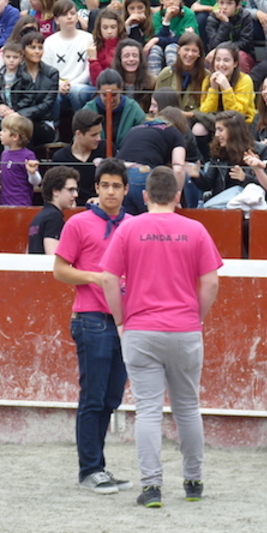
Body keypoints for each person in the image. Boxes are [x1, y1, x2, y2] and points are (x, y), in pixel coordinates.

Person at [101, 166, 222, 507]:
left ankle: (152, 486)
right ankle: (193, 481)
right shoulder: (195, 229)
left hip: (141, 328)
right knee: (188, 408)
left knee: (148, 411)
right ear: (177, 196)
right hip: (184, 328)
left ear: (145, 195)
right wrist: (195, 317)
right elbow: (211, 282)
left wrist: (121, 320)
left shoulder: (129, 228)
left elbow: (109, 278)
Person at [53, 158, 132, 496]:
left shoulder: (133, 225)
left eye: (117, 186)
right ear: (97, 189)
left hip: (124, 322)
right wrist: (96, 277)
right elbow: (60, 270)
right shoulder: (78, 223)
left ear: (126, 190)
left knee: (111, 397)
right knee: (94, 396)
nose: (111, 192)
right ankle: (90, 469)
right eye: (105, 186)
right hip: (91, 318)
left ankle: (97, 465)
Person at [0, 32, 58, 158]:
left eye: (40, 47)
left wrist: (19, 114)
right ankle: (0, 164)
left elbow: (47, 105)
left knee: (22, 127)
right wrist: (0, 106)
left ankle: (24, 165)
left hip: (41, 122)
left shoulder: (52, 73)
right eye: (32, 47)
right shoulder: (12, 71)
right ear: (23, 51)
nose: (37, 51)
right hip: (12, 117)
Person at [115, 105, 186, 213]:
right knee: (152, 220)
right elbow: (178, 168)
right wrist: (176, 197)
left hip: (119, 175)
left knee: (126, 221)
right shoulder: (173, 131)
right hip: (142, 174)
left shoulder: (136, 128)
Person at [42, 0, 95, 112]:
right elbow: (47, 71)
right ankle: (53, 123)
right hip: (58, 87)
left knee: (76, 92)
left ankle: (81, 120)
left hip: (81, 86)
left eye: (72, 13)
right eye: (64, 14)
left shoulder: (88, 38)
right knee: (52, 95)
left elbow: (89, 70)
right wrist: (59, 85)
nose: (69, 17)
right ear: (56, 20)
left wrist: (71, 85)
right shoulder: (49, 42)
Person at [52, 108, 106, 205]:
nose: (99, 138)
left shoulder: (106, 149)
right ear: (79, 134)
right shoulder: (60, 158)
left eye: (99, 133)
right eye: (93, 135)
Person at [81, 69, 145, 148]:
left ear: (121, 89)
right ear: (98, 91)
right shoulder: (88, 110)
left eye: (114, 95)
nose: (110, 100)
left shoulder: (133, 109)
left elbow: (143, 137)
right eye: (105, 95)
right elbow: (78, 141)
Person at [0, 113, 40, 207]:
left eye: (4, 130)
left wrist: (32, 173)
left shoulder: (28, 155)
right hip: (4, 203)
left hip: (22, 204)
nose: (0, 133)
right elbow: (7, 177)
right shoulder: (4, 154)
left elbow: (36, 182)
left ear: (15, 136)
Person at [28, 165, 79, 255]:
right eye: (71, 190)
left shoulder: (38, 217)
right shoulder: (54, 217)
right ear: (55, 191)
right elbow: (53, 256)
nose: (75, 194)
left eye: (76, 190)